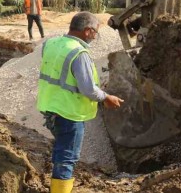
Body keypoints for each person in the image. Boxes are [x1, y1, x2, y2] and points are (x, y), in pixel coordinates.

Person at [36, 12, 124, 193]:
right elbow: (88, 89)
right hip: (69, 113)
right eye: (95, 32)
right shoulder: (79, 53)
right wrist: (106, 98)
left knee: (62, 151)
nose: (95, 36)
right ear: (87, 31)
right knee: (67, 157)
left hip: (50, 107)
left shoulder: (51, 43)